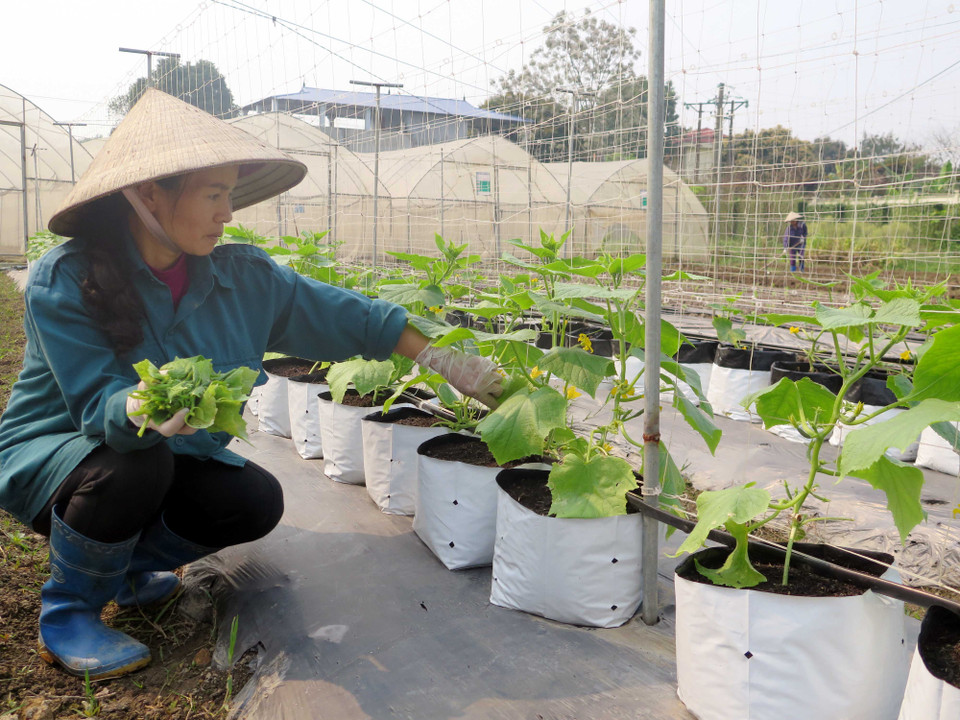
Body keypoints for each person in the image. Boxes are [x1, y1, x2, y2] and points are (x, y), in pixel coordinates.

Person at [0, 89, 502, 680]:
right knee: (137, 464)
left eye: (230, 195)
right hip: (58, 456)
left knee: (253, 500)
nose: (227, 213)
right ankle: (69, 611)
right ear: (148, 194)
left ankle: (127, 571)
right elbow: (93, 407)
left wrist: (443, 358)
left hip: (162, 450)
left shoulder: (245, 278)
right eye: (213, 194)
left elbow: (347, 314)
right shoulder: (67, 280)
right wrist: (136, 404)